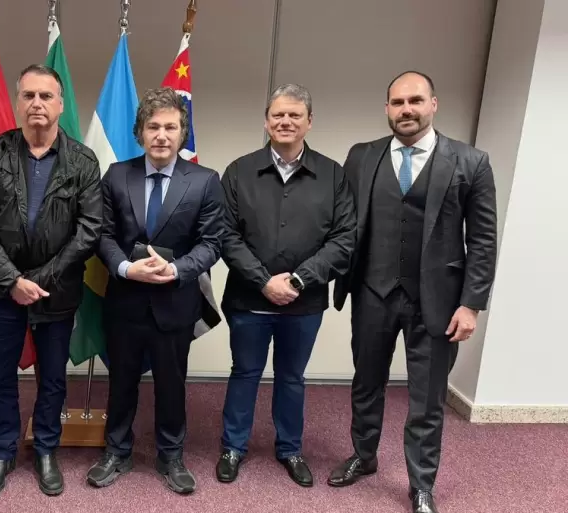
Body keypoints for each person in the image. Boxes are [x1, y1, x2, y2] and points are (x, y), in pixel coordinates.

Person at [328, 71, 497, 513]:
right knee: (366, 384)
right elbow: (344, 225)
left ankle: (422, 484)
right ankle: (363, 458)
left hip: (438, 303)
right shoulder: (361, 157)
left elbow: (482, 240)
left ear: (434, 104)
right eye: (398, 102)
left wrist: (472, 304)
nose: (406, 110)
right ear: (386, 108)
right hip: (372, 292)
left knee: (427, 397)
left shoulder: (470, 161)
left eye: (415, 101)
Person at [0, 64, 102, 498]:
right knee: (1, 375)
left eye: (46, 96)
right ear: (18, 102)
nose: (37, 104)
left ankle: (46, 448)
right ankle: (3, 451)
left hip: (57, 291)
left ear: (60, 105)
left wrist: (39, 279)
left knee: (53, 378)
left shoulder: (82, 159)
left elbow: (89, 230)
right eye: (29, 96)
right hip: (4, 294)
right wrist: (12, 281)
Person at [215, 84, 356, 487]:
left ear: (309, 122)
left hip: (304, 303)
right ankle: (232, 447)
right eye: (278, 115)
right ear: (266, 120)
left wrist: (298, 279)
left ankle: (290, 449)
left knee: (292, 377)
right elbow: (225, 235)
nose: (286, 121)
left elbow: (344, 238)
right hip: (249, 301)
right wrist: (263, 281)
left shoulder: (332, 174)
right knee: (244, 372)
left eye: (295, 115)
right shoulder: (239, 171)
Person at [87, 87, 224, 495]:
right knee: (122, 380)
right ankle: (117, 450)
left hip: (174, 302)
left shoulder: (204, 181)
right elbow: (103, 235)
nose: (161, 135)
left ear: (183, 133)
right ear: (139, 133)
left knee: (171, 382)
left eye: (170, 127)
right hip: (125, 301)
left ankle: (171, 454)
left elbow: (212, 242)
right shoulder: (116, 175)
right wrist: (126, 268)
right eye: (153, 127)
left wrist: (177, 269)